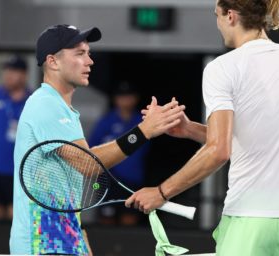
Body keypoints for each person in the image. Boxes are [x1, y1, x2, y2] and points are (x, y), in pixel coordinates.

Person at [125, 0, 279, 255]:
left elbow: (219, 150)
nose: (218, 24)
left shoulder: (223, 68)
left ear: (230, 16)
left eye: (217, 16)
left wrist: (161, 192)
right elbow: (258, 136)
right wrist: (190, 130)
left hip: (252, 218)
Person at [10, 24, 185, 255]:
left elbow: (63, 186)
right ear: (53, 61)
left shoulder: (63, 109)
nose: (90, 61)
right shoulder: (45, 104)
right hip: (41, 244)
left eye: (89, 53)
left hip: (65, 240)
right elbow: (89, 164)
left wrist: (80, 236)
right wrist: (142, 131)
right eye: (80, 54)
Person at [89, 81, 149, 226]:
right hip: (108, 179)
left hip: (132, 180)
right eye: (121, 96)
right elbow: (92, 148)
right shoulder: (107, 121)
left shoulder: (142, 121)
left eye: (129, 96)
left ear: (135, 98)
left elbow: (146, 150)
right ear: (115, 99)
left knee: (130, 219)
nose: (125, 100)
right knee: (106, 219)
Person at [0, 55, 30, 220]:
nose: (8, 74)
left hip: (20, 171)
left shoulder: (33, 101)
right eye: (6, 70)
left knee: (17, 217)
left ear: (24, 75)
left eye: (13, 70)